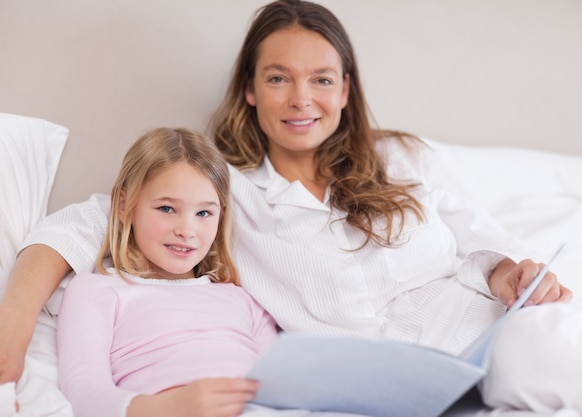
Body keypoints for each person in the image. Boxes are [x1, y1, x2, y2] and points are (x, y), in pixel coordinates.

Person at [1, 0, 582, 414]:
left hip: (477, 334)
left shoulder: (403, 159)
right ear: (249, 89)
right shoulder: (224, 189)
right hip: (371, 383)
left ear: (346, 89)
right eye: (278, 78)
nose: (302, 99)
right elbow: (89, 225)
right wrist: (12, 328)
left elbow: (482, 240)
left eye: (322, 79)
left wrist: (509, 273)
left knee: (564, 354)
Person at [55, 127, 370, 417]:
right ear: (125, 207)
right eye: (167, 208)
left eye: (204, 212)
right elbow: (84, 390)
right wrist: (169, 407)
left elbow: (279, 385)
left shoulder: (240, 296)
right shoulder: (97, 290)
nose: (187, 230)